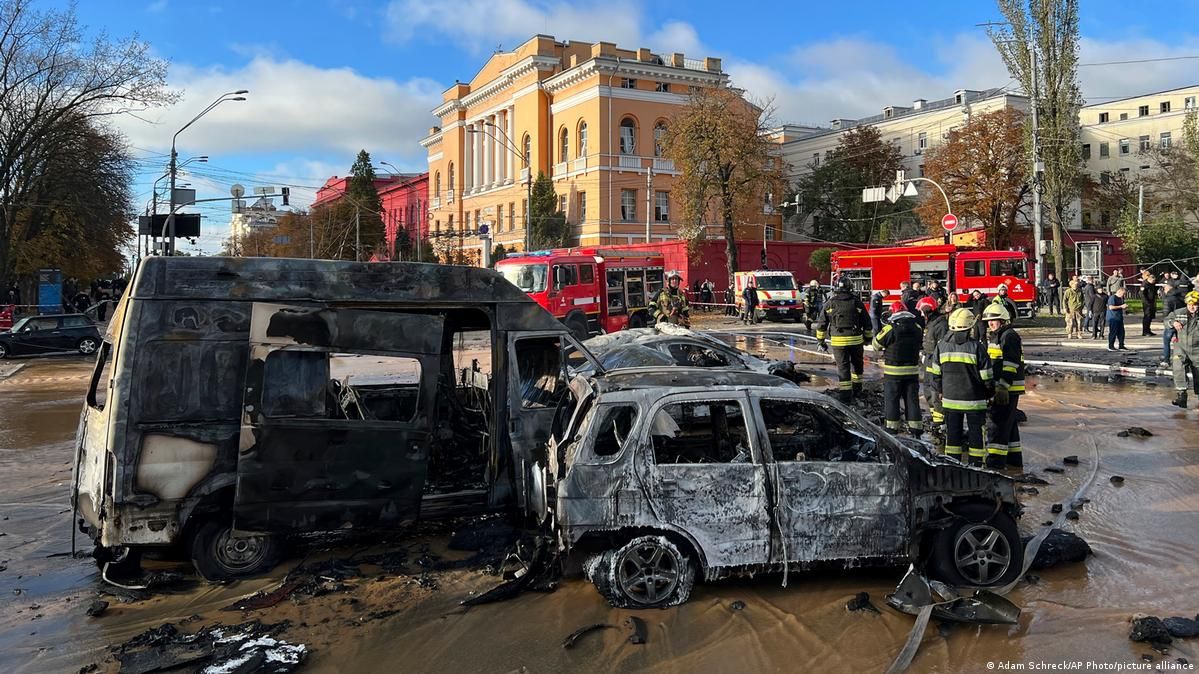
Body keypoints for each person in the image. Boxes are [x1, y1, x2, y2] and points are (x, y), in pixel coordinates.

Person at [927, 308, 994, 465]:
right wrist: (990, 393)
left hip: (950, 400)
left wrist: (940, 391)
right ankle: (976, 465)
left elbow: (935, 374)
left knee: (953, 435)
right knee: (976, 434)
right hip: (975, 401)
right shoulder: (977, 347)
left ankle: (952, 464)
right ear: (970, 326)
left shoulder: (941, 346)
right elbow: (987, 377)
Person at [983, 303, 1025, 469]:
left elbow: (1010, 364)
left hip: (1007, 388)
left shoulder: (1009, 336)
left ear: (1003, 320)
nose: (990, 324)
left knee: (997, 425)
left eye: (994, 320)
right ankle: (1014, 461)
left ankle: (995, 464)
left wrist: (1002, 386)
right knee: (1009, 425)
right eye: (988, 321)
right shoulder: (998, 335)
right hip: (1005, 387)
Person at [817, 277, 873, 402]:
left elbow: (821, 324)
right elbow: (867, 323)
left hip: (838, 342)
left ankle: (845, 396)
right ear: (850, 288)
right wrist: (868, 338)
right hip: (856, 341)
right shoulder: (857, 302)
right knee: (857, 365)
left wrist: (821, 341)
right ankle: (857, 390)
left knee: (843, 368)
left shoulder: (830, 303)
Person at [874, 301, 924, 435]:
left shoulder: (891, 328)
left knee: (892, 399)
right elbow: (921, 344)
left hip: (893, 371)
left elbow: (876, 345)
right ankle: (916, 428)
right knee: (912, 400)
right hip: (912, 371)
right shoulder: (917, 327)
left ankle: (892, 428)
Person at [918, 295, 948, 428]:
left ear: (927, 310)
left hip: (935, 360)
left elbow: (941, 345)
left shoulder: (940, 324)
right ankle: (933, 416)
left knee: (936, 390)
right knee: (928, 388)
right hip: (928, 358)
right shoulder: (931, 323)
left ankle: (940, 421)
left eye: (922, 311)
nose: (920, 314)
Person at [1169, 291, 1199, 408]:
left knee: (1198, 373)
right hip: (1181, 347)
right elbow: (1167, 320)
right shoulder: (1179, 313)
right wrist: (1173, 323)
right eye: (1189, 304)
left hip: (1197, 349)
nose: (1192, 307)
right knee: (1178, 369)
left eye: (1195, 304)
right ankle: (1182, 396)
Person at [1106, 287, 1129, 351]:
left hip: (1119, 317)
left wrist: (1124, 308)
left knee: (1121, 332)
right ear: (1119, 291)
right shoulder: (1113, 298)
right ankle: (1111, 346)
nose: (1124, 295)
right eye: (1123, 294)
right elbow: (1111, 307)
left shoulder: (1121, 298)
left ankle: (1121, 345)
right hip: (1113, 317)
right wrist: (1121, 306)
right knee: (1113, 332)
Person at [1141, 269, 1159, 337]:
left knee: (1150, 317)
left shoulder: (1152, 284)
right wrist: (1147, 303)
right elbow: (1142, 294)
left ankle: (1148, 330)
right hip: (1147, 303)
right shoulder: (1145, 284)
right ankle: (1145, 331)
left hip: (1152, 302)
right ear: (1149, 279)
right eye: (1153, 281)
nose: (1154, 282)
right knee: (1147, 317)